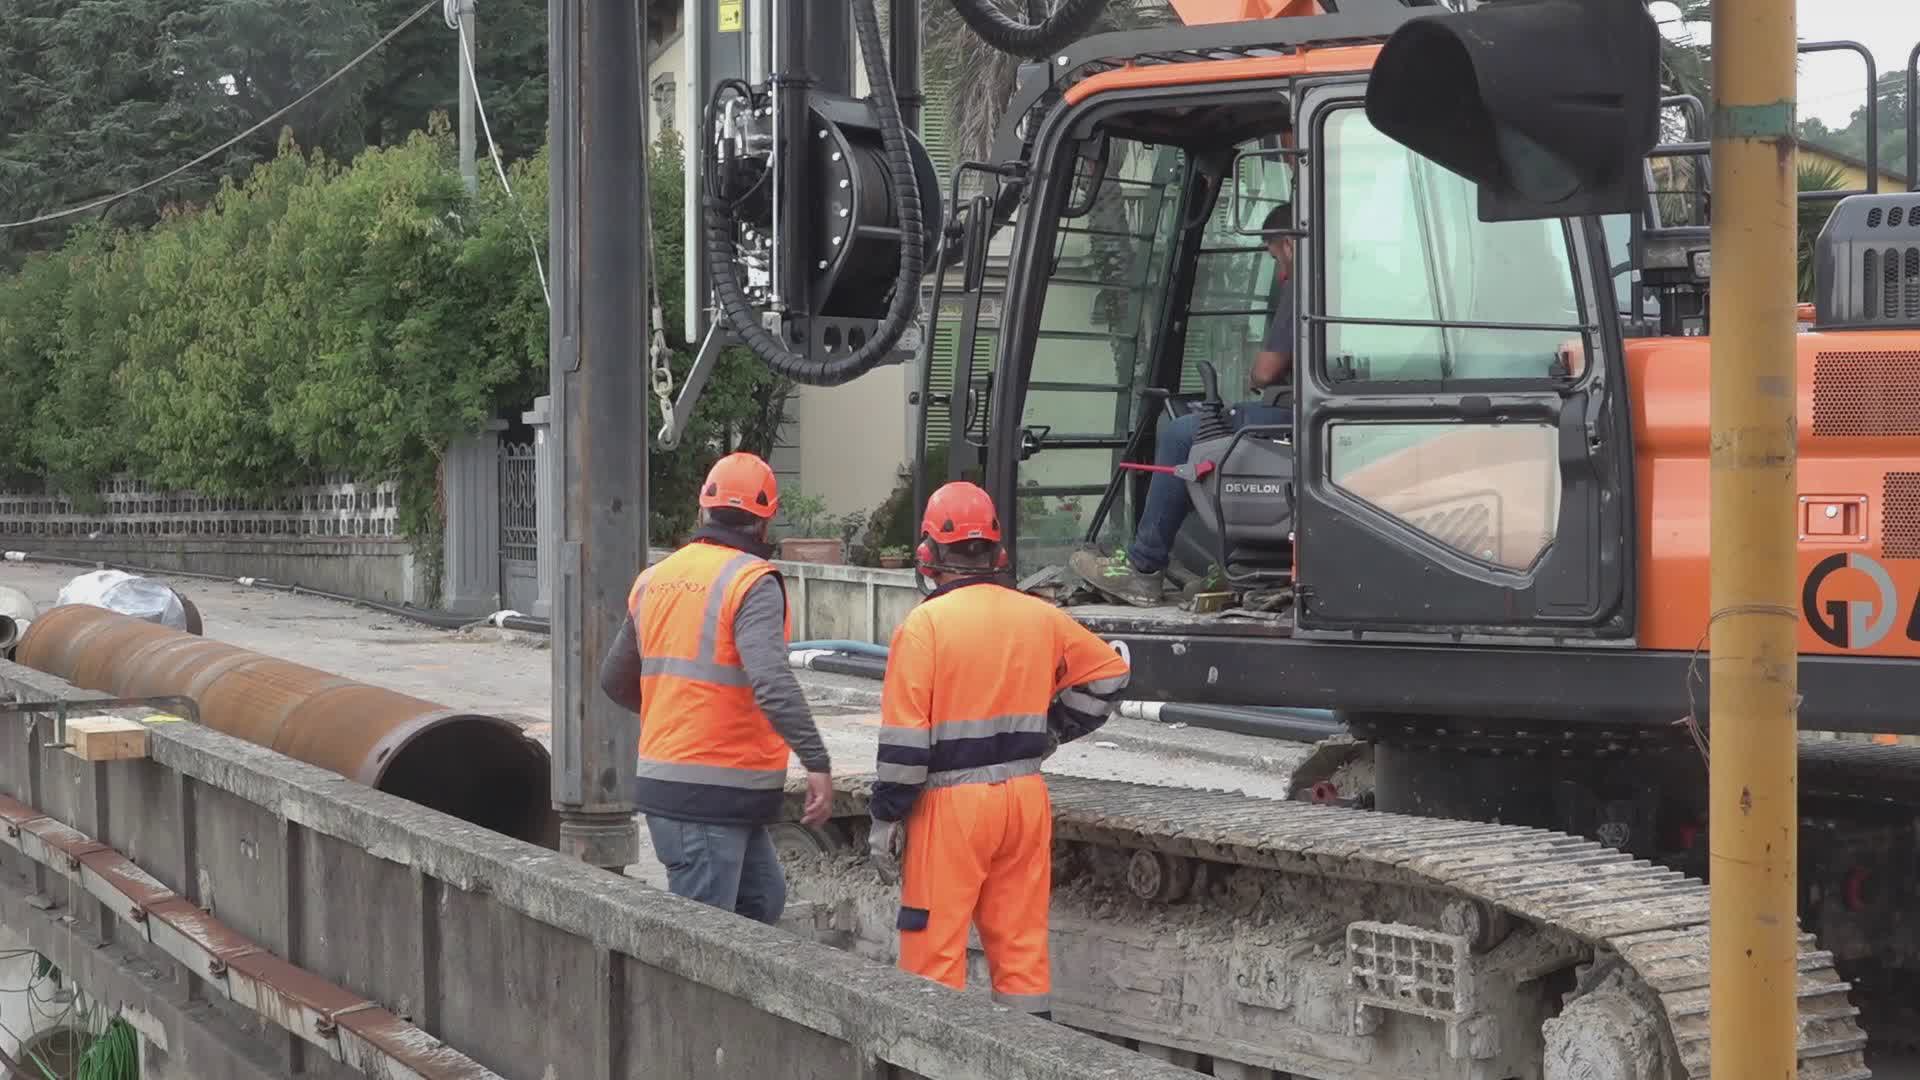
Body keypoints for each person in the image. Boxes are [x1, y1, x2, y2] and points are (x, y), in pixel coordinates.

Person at [868, 481, 1131, 1017]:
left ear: (929, 554)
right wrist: (1052, 731)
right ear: (996, 551)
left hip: (951, 808)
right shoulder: (1038, 615)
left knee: (931, 954)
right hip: (1024, 798)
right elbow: (1110, 673)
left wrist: (886, 816)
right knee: (1020, 949)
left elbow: (904, 746)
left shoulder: (924, 626)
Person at [598, 451, 834, 926]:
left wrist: (678, 711)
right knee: (703, 943)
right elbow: (771, 680)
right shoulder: (751, 581)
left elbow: (613, 679)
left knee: (762, 901)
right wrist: (817, 762)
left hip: (696, 791)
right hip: (707, 794)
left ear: (703, 510)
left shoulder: (655, 579)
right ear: (764, 524)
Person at [1070, 201, 1297, 606]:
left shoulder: (1304, 283)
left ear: (1289, 245)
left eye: (1273, 253)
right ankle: (1232, 568)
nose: (1277, 265)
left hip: (1294, 417)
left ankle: (1143, 570)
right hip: (1302, 413)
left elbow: (1264, 372)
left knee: (1181, 434)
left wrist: (1256, 375)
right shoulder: (1338, 281)